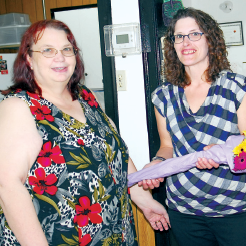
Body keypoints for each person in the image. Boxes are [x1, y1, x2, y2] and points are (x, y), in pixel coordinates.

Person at [0, 19, 170, 246]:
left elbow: (115, 153)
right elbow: (8, 186)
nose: (59, 57)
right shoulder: (19, 106)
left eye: (66, 49)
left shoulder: (86, 97)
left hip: (113, 232)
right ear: (29, 59)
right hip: (56, 238)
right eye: (48, 50)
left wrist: (143, 199)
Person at [140, 7, 246, 246]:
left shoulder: (237, 88)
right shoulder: (163, 96)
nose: (186, 42)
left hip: (235, 210)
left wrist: (222, 153)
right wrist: (156, 164)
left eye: (195, 34)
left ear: (210, 39)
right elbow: (167, 146)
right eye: (179, 36)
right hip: (184, 211)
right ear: (173, 45)